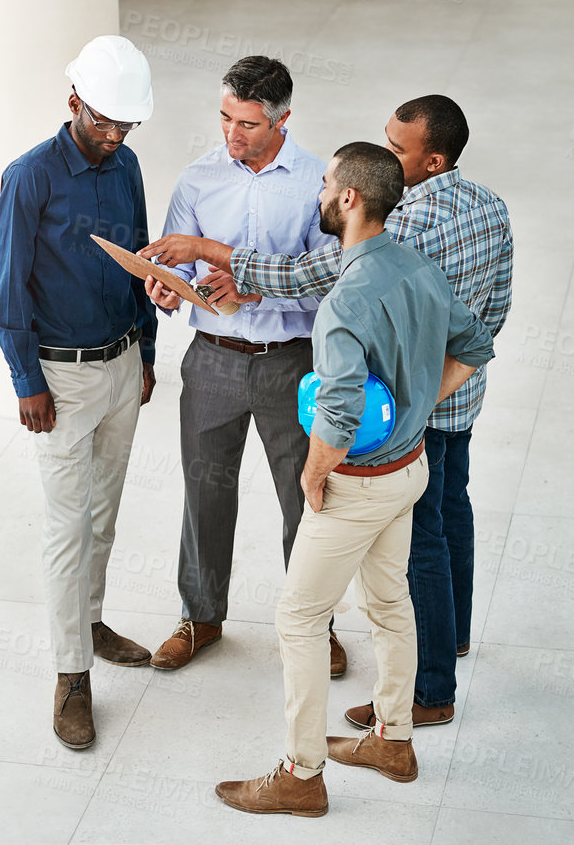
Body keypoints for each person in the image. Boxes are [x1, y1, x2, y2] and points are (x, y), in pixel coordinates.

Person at [140, 95, 512, 732]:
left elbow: (318, 285)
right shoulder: (488, 206)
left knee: (402, 561)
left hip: (395, 426)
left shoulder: (394, 242)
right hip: (447, 408)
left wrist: (322, 467)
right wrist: (436, 389)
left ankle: (425, 696)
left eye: (398, 151)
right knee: (449, 518)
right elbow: (490, 318)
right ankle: (449, 640)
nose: (388, 162)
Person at [213, 142, 495, 816]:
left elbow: (338, 410)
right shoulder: (418, 268)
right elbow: (475, 345)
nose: (317, 195)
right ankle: (394, 741)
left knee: (301, 616)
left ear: (349, 199)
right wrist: (419, 408)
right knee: (391, 602)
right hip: (411, 469)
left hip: (361, 482)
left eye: (325, 186)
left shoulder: (346, 300)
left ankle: (301, 774)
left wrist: (314, 475)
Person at [141, 57, 345, 677]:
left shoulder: (319, 182)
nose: (233, 134)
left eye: (250, 124)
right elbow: (176, 259)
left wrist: (261, 289)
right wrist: (168, 287)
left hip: (292, 364)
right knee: (205, 491)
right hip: (213, 363)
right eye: (226, 118)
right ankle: (199, 616)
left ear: (283, 119)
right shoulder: (199, 179)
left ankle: (316, 626)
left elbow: (335, 279)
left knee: (305, 498)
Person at [0, 35, 160, 751]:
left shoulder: (127, 168)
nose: (113, 137)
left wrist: (146, 347)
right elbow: (6, 287)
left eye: (125, 126)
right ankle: (71, 675)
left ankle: (90, 621)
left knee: (105, 514)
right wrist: (27, 381)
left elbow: (141, 257)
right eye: (102, 123)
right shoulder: (30, 178)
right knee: (67, 530)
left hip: (122, 365)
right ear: (73, 104)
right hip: (59, 378)